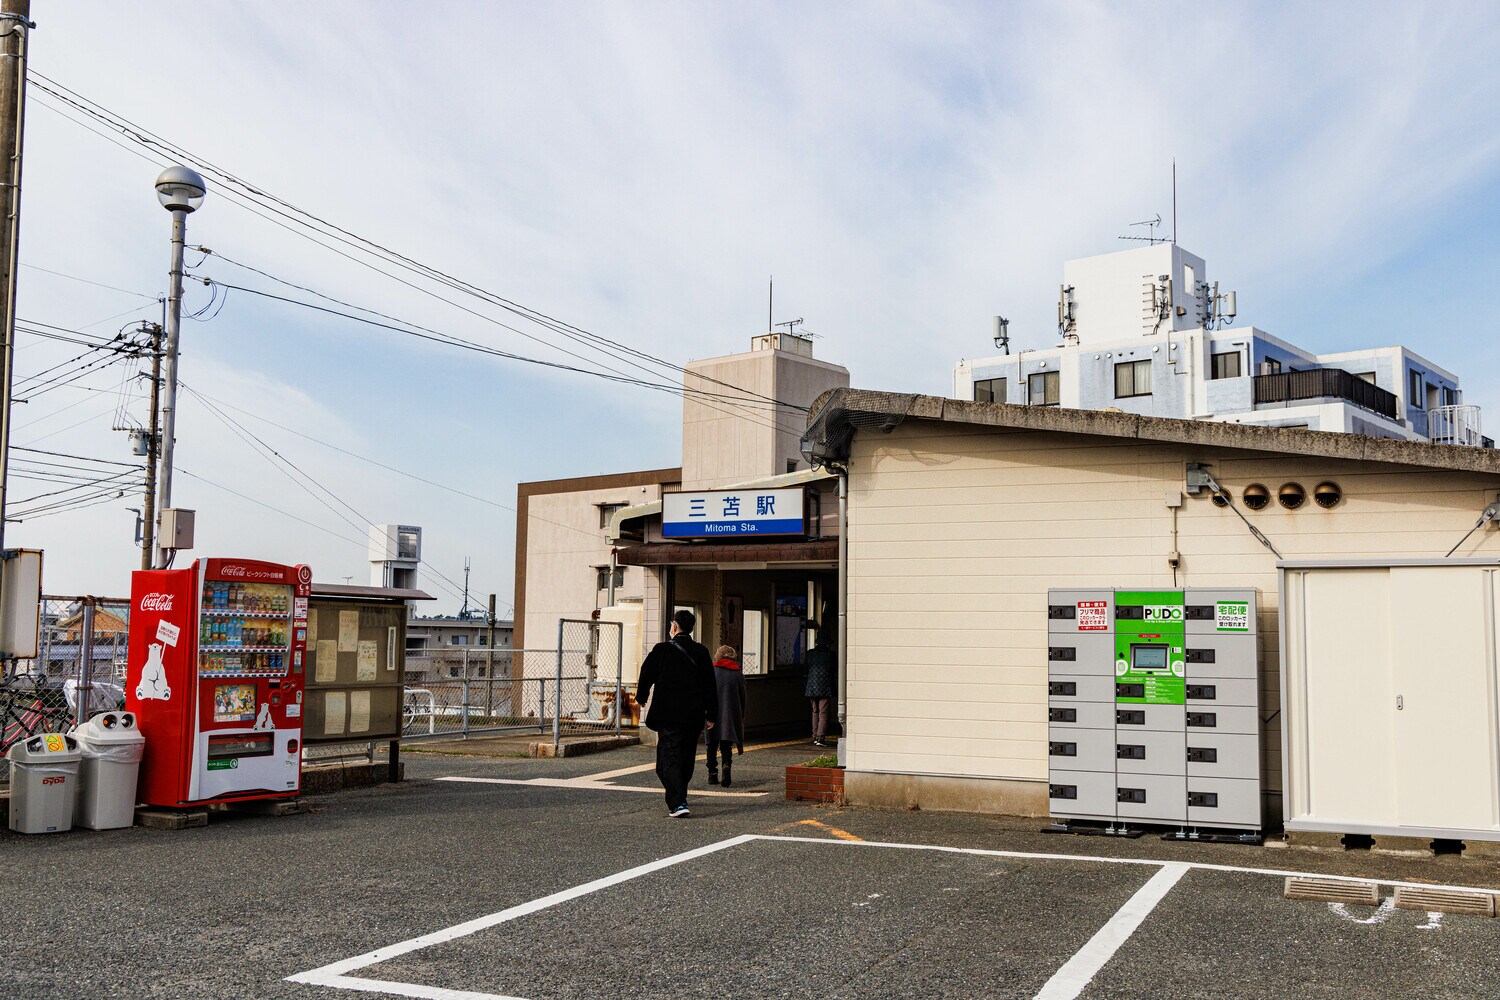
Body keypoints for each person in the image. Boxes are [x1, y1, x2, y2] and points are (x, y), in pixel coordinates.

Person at [636, 609, 717, 817]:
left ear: (674, 627)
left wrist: (641, 696)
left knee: (669, 758)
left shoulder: (662, 650)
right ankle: (679, 794)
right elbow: (710, 685)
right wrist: (712, 714)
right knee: (686, 755)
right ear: (692, 628)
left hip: (667, 714)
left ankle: (678, 802)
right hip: (693, 715)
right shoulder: (701, 652)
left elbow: (646, 674)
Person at [707, 644, 747, 787]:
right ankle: (726, 765)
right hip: (731, 714)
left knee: (711, 744)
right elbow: (743, 696)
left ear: (718, 655)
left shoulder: (711, 671)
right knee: (726, 744)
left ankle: (712, 773)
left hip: (712, 714)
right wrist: (741, 714)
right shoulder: (737, 674)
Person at [803, 630, 836, 747]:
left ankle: (814, 736)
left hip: (811, 686)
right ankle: (820, 737)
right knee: (823, 712)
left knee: (815, 711)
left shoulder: (810, 654)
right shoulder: (831, 655)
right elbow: (834, 670)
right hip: (825, 686)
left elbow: (805, 669)